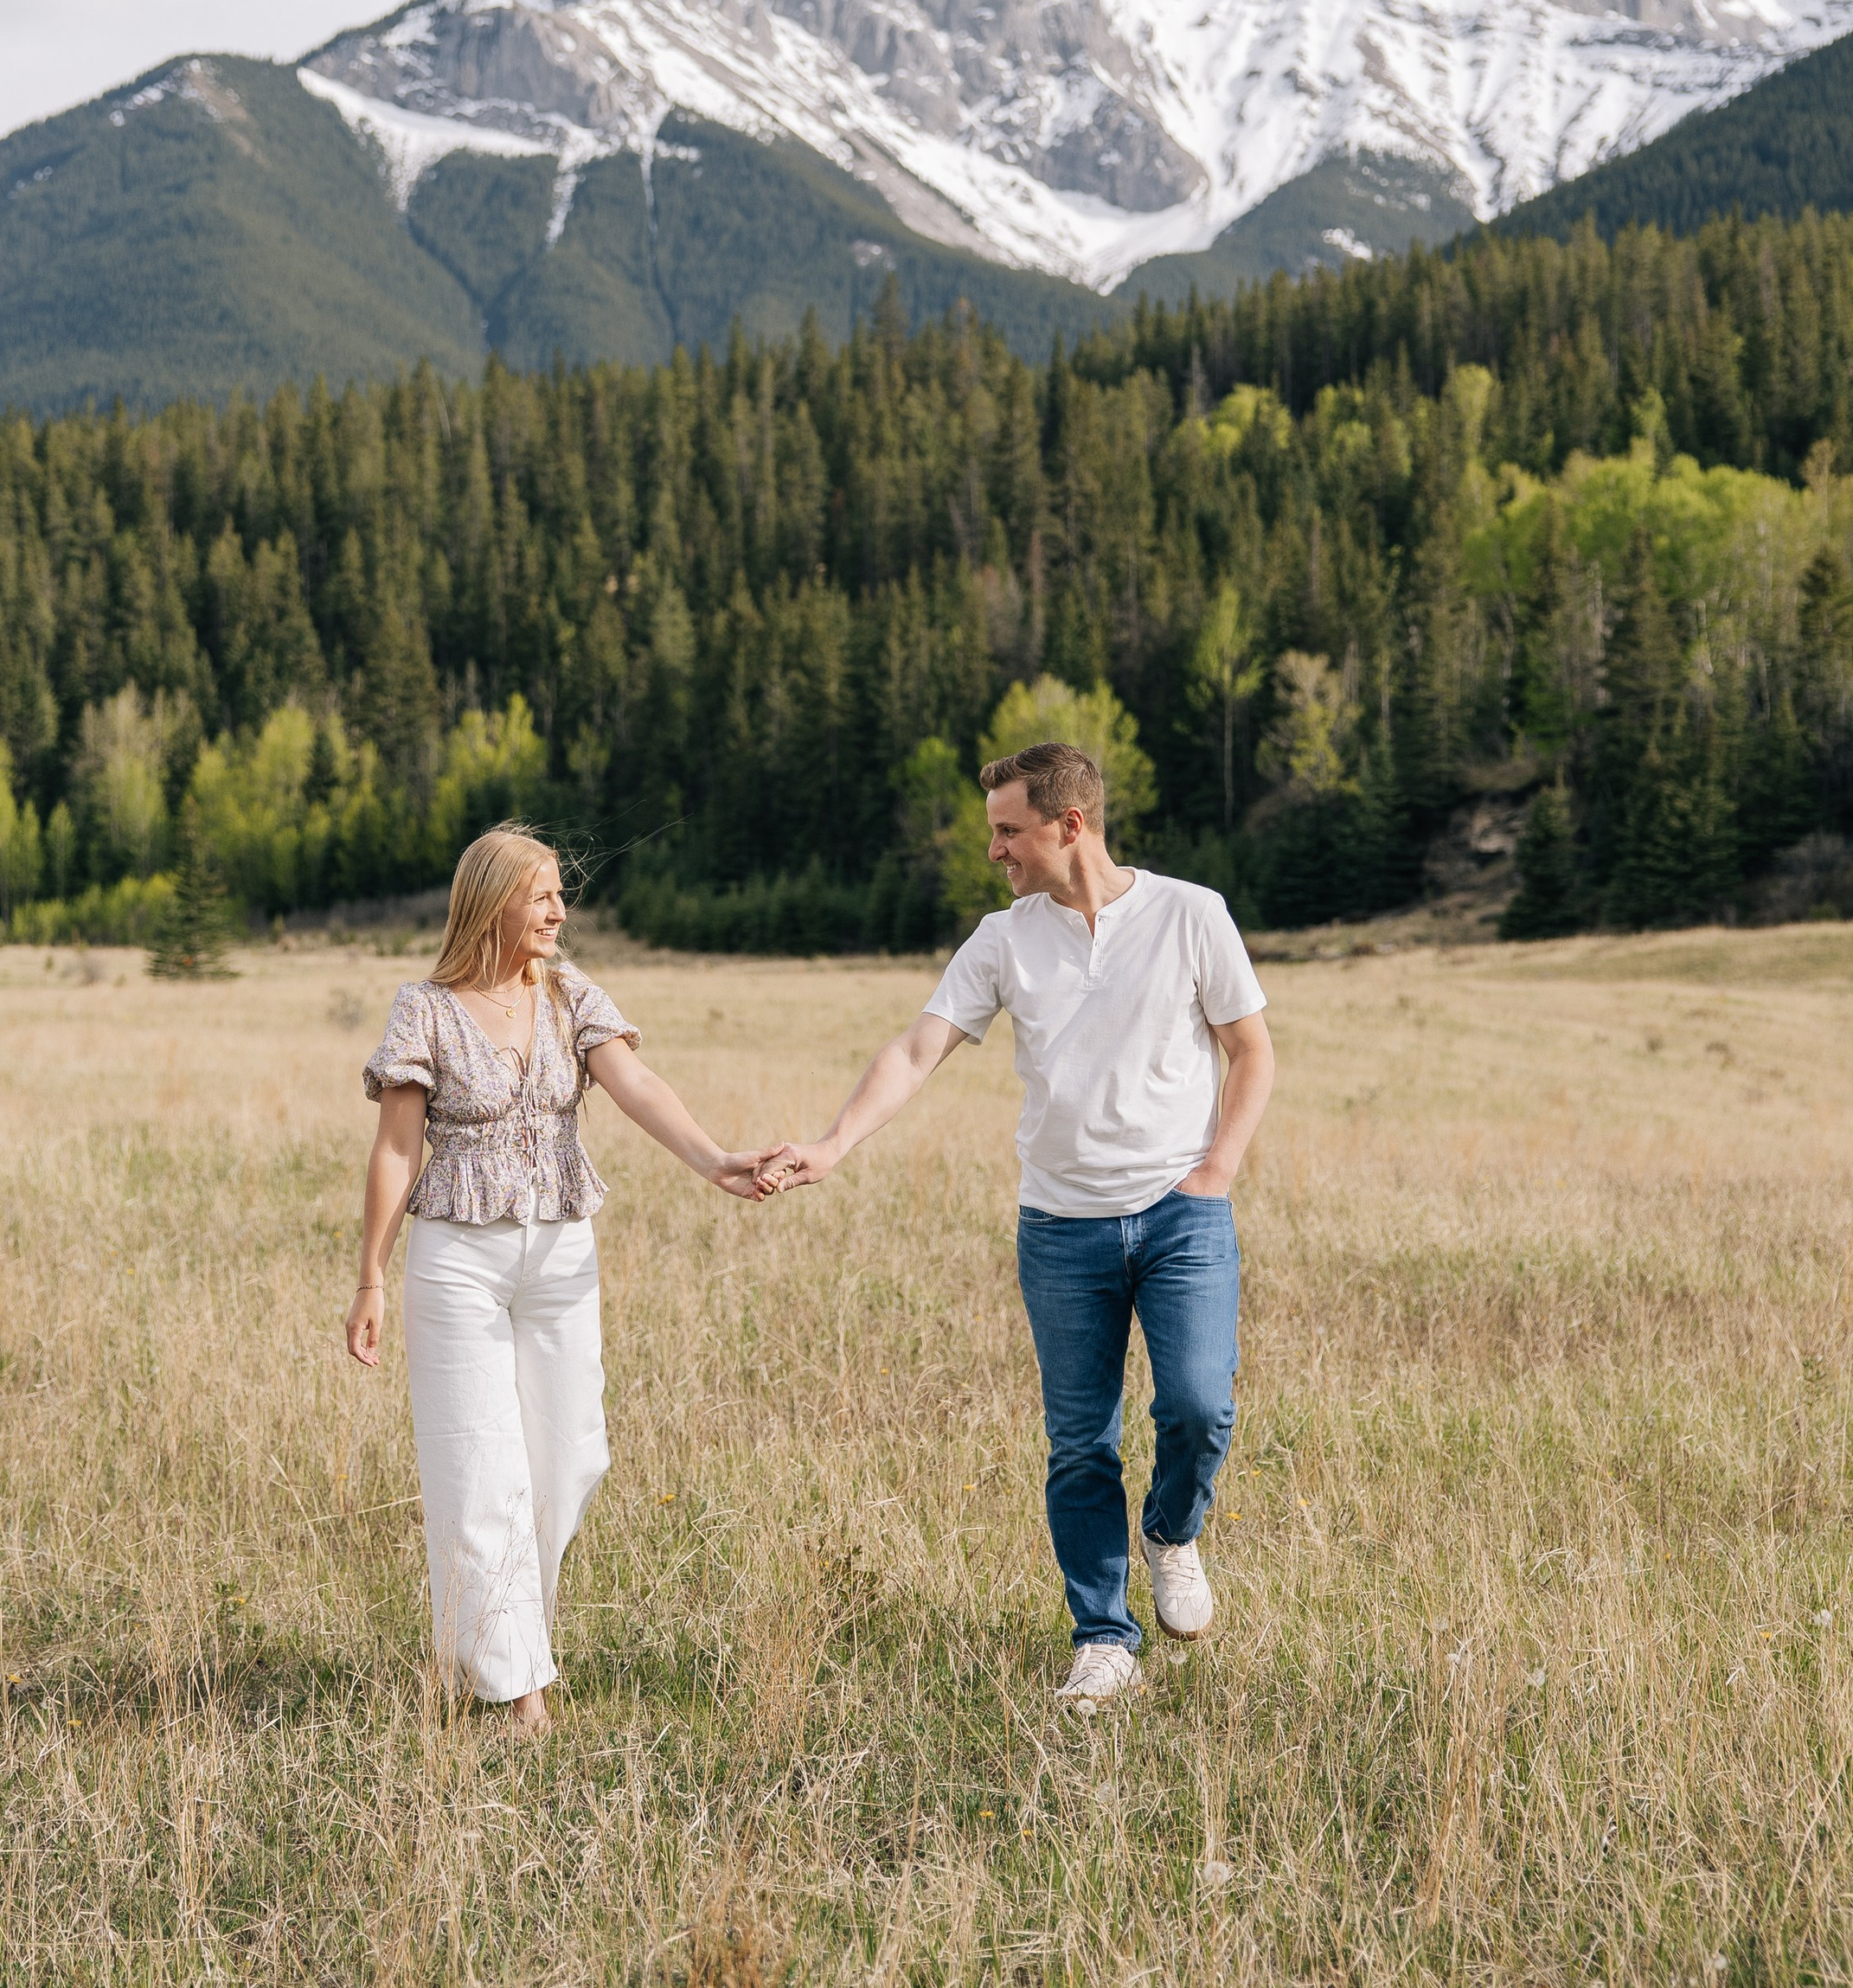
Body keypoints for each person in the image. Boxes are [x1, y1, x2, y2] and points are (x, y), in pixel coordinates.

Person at [756, 740, 1273, 1713]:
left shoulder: (1190, 915)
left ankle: (1170, 1530)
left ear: (1068, 824)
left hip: (1179, 1214)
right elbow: (917, 1050)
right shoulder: (1002, 940)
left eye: (1008, 831)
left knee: (1199, 1408)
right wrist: (833, 1144)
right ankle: (1104, 1638)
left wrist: (1217, 1172)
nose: (994, 850)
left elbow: (1250, 1051)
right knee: (1080, 1442)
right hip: (1061, 1228)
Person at [344, 824, 764, 1735]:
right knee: (477, 1467)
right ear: (493, 899)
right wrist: (371, 1277)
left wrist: (714, 1160)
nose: (559, 912)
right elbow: (394, 1147)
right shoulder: (423, 1008)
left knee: (570, 1459)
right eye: (543, 895)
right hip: (458, 1260)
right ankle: (516, 1690)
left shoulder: (571, 994)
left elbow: (638, 1085)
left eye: (559, 896)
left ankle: (489, 1645)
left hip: (561, 1256)